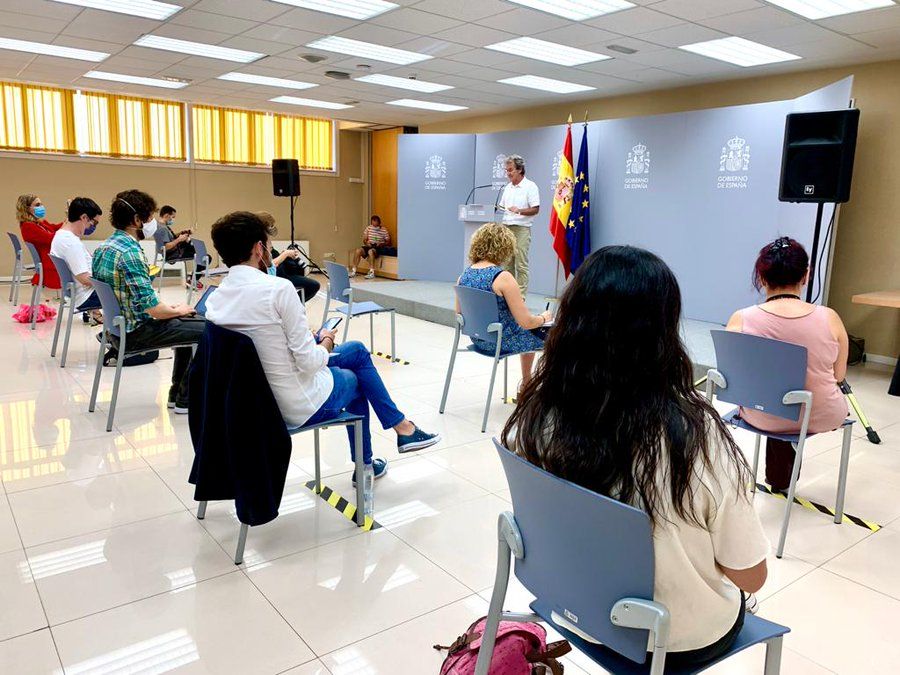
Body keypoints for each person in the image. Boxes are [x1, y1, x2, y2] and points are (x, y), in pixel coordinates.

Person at [503, 246, 768, 668]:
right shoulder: (693, 434)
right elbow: (750, 575)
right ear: (664, 331)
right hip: (673, 639)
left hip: (573, 610)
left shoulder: (539, 412)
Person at [205, 211, 440, 483]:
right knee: (357, 378)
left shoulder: (215, 299)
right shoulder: (278, 290)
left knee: (356, 350)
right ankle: (372, 459)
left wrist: (308, 338)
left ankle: (400, 431)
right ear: (259, 248)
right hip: (295, 404)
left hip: (251, 402)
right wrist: (326, 340)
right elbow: (309, 363)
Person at [726, 236, 849, 491]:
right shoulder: (830, 318)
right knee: (797, 402)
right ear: (806, 275)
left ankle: (779, 478)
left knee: (776, 403)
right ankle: (782, 479)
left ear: (761, 278)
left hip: (761, 415)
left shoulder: (741, 319)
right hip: (822, 413)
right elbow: (839, 375)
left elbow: (732, 379)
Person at [92, 190, 204, 413]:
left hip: (117, 330)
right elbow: (154, 310)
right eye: (150, 217)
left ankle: (178, 394)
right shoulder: (130, 253)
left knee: (189, 321)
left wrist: (173, 310)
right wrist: (175, 310)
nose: (153, 223)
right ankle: (185, 398)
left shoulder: (103, 248)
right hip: (136, 333)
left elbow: (132, 298)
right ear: (137, 220)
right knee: (208, 329)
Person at [458, 223, 551, 388]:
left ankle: (527, 384)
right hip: (502, 342)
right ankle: (533, 386)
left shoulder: (463, 276)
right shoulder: (503, 277)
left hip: (479, 340)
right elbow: (526, 322)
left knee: (529, 330)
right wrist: (543, 318)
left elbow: (459, 316)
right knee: (554, 335)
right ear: (504, 247)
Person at [49, 197, 104, 324]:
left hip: (79, 293)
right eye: (94, 223)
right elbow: (85, 279)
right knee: (133, 291)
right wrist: (110, 280)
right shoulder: (71, 243)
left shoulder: (61, 235)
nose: (93, 227)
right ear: (84, 217)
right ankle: (124, 332)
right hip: (87, 296)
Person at [498, 154, 540, 296]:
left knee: (521, 264)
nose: (508, 173)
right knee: (507, 264)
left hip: (521, 229)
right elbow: (502, 206)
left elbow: (535, 209)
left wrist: (519, 210)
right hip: (506, 228)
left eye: (510, 170)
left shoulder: (530, 186)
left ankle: (520, 296)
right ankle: (508, 294)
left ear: (520, 169)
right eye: (506, 170)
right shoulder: (507, 188)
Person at [255, 211, 320, 302]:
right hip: (278, 277)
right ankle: (291, 304)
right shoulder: (258, 243)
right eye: (271, 226)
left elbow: (271, 257)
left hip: (283, 273)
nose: (273, 228)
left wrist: (284, 254)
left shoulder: (265, 239)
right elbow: (267, 265)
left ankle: (290, 303)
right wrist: (285, 254)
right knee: (313, 285)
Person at [17, 193, 64, 291]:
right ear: (27, 208)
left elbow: (54, 228)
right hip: (50, 263)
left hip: (51, 258)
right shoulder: (28, 226)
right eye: (37, 205)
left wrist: (68, 221)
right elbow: (51, 238)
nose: (41, 207)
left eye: (41, 204)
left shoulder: (38, 223)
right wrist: (69, 225)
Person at [154, 204, 204, 288]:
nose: (173, 219)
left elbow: (171, 238)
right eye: (172, 217)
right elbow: (166, 246)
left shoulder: (159, 225)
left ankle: (192, 279)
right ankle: (193, 280)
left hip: (172, 252)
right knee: (204, 256)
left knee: (199, 251)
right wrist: (179, 239)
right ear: (166, 215)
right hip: (173, 254)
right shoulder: (162, 228)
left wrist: (182, 233)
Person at [351, 215, 392, 279]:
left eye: (376, 223)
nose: (374, 225)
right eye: (373, 223)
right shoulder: (368, 228)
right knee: (358, 251)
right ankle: (354, 271)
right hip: (369, 245)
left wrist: (381, 243)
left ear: (379, 222)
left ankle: (371, 272)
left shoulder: (384, 230)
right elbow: (364, 240)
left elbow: (388, 242)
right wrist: (367, 243)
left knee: (370, 251)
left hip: (378, 247)